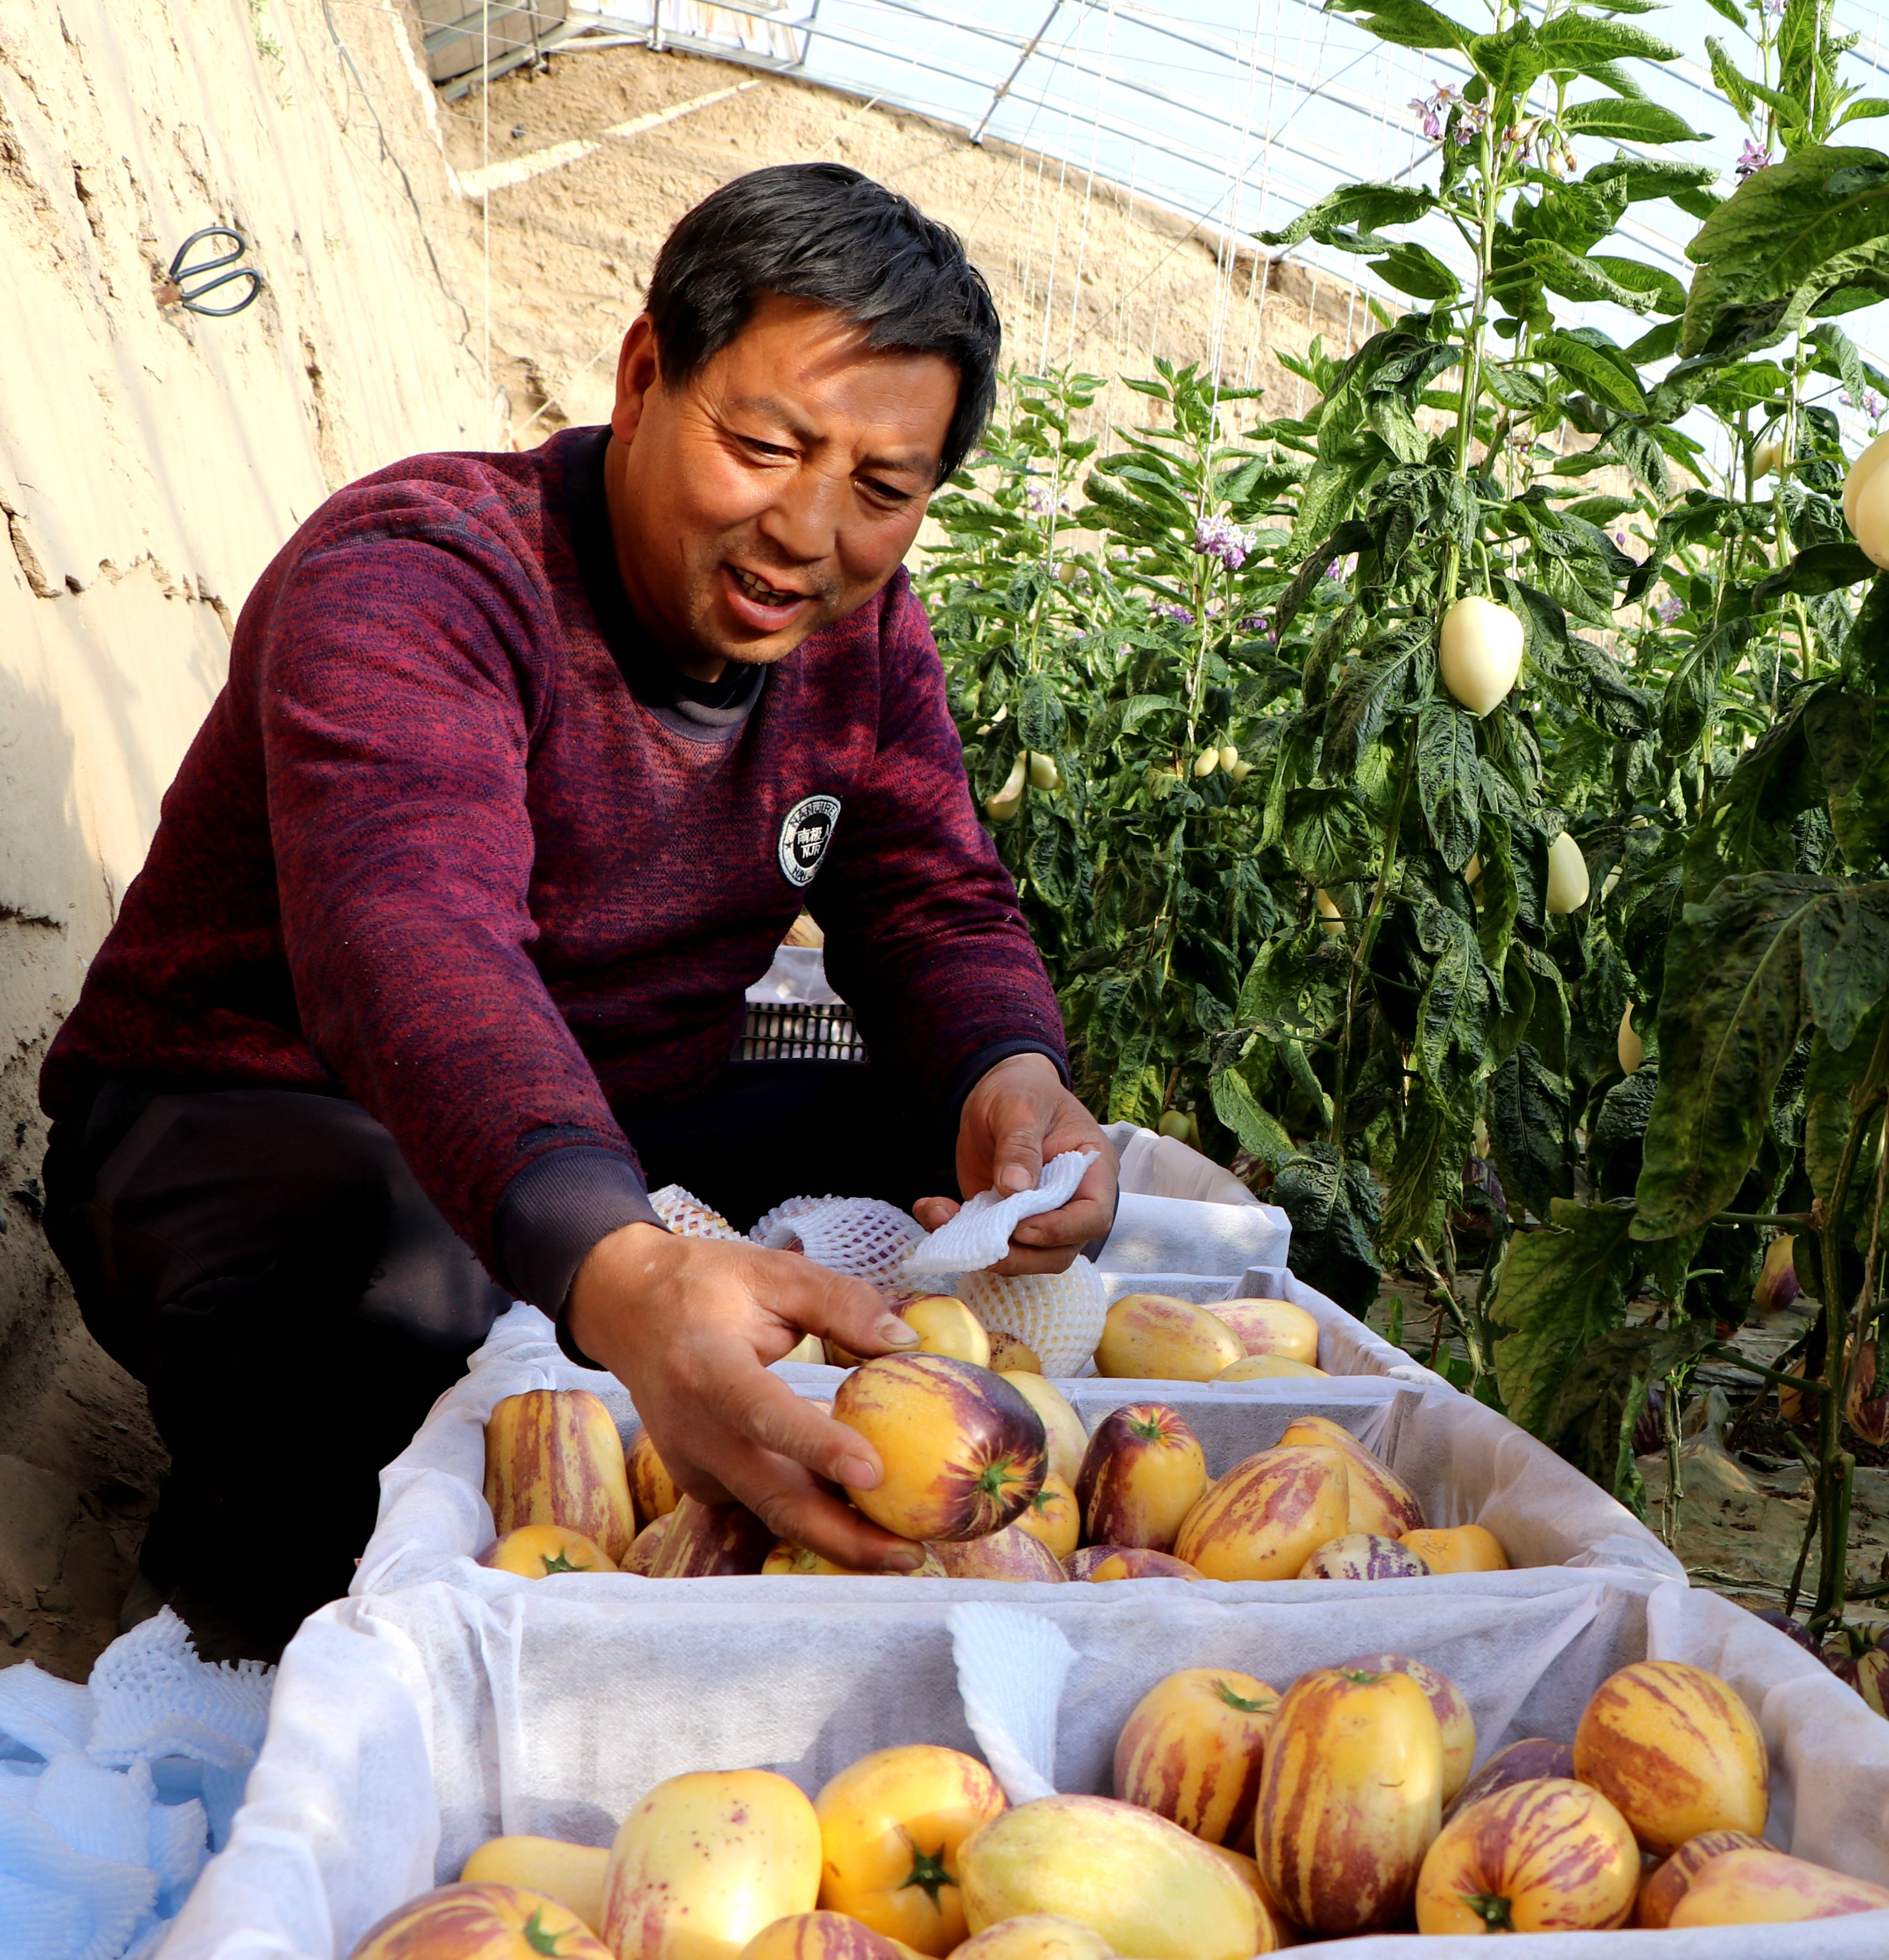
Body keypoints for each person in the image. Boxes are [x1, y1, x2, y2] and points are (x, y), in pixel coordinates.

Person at [38, 162, 1114, 1651]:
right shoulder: (424, 577)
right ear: (642, 372)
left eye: (881, 492)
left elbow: (933, 900)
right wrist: (626, 1270)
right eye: (764, 444)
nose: (809, 532)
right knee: (411, 1272)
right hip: (248, 1112)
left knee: (968, 1142)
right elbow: (413, 947)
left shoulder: (858, 639)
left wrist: (1014, 1077)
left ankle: (641, 1352)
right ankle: (251, 1624)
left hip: (608, 1106)